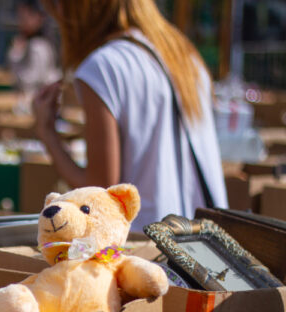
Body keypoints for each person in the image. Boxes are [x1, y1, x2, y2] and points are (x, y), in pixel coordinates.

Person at [33, 0, 228, 231]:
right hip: (203, 242)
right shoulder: (183, 53)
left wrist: (47, 134)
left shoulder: (103, 66)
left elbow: (99, 193)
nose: (58, 13)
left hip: (148, 244)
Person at [6, 0, 60, 107]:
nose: (21, 23)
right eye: (20, 18)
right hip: (40, 104)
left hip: (37, 105)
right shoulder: (40, 42)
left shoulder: (38, 46)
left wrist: (15, 54)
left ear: (39, 18)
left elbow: (28, 82)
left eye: (25, 18)